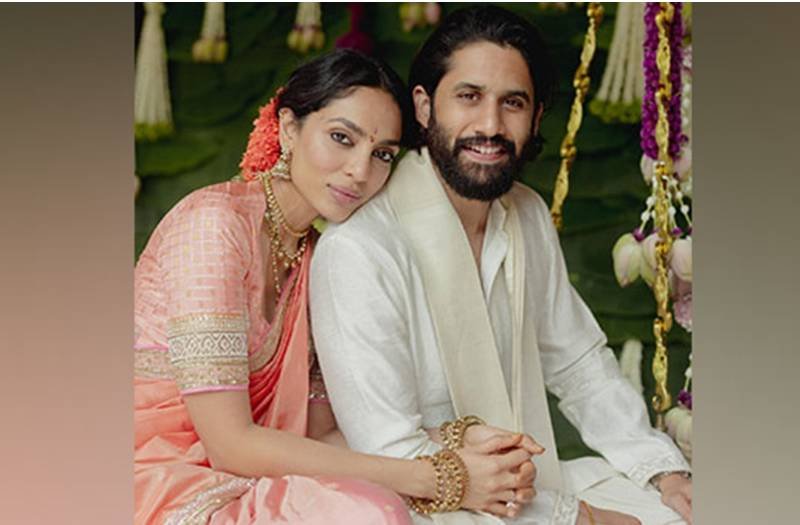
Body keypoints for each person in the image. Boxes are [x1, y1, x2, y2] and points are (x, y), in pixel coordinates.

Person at [310, 7, 692, 525]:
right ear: (423, 106)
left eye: (512, 103)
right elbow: (389, 450)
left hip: (525, 485)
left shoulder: (525, 214)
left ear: (535, 118)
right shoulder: (359, 250)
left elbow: (578, 364)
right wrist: (575, 517)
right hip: (414, 501)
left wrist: (663, 472)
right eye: (469, 97)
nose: (490, 126)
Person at [134, 49, 537, 524]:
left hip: (249, 475)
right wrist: (438, 478)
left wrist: (457, 441)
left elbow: (321, 434)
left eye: (382, 154)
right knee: (370, 512)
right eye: (342, 138)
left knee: (371, 507)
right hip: (155, 473)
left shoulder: (318, 255)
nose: (360, 171)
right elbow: (230, 446)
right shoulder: (214, 228)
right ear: (288, 128)